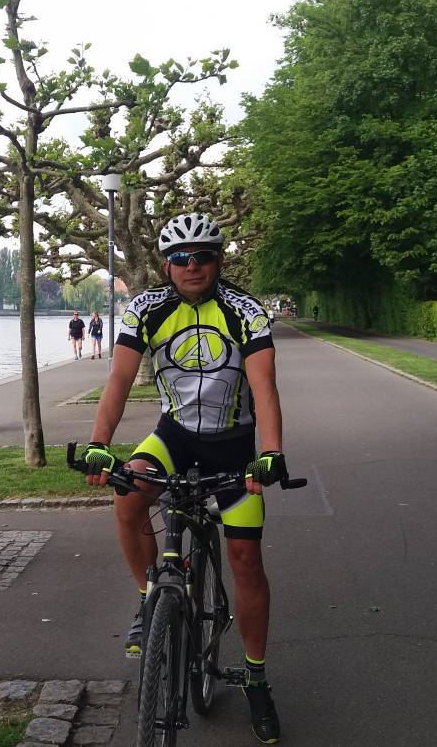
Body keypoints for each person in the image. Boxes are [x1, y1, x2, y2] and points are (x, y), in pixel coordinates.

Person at [81, 212, 287, 744]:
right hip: (174, 437)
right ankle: (149, 597)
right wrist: (100, 444)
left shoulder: (245, 310)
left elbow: (265, 387)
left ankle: (256, 678)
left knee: (246, 560)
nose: (191, 266)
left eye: (202, 256)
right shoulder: (146, 308)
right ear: (165, 265)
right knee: (128, 496)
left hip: (233, 445)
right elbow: (119, 377)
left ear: (219, 261)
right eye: (179, 257)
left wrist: (270, 453)